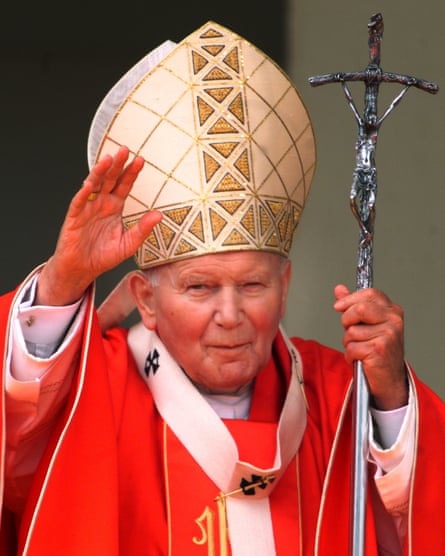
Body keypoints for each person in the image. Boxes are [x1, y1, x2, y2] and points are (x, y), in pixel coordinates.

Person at [1, 21, 444, 556]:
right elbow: (16, 441)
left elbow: (414, 518)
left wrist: (392, 395)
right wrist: (63, 282)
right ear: (146, 299)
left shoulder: (339, 395)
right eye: (200, 287)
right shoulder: (89, 390)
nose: (230, 314)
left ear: (285, 287)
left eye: (252, 284)